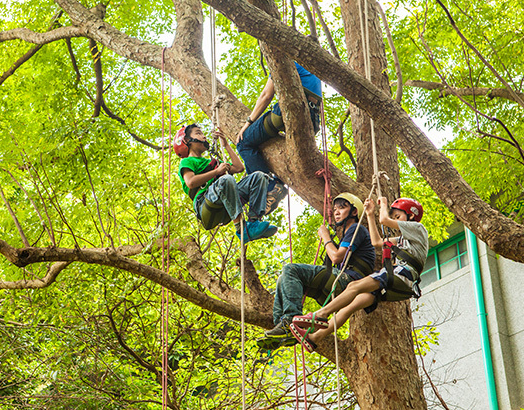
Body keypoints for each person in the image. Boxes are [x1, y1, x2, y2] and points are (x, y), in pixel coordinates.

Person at [289, 196, 428, 353]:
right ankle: (315, 338)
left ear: (411, 216)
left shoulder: (418, 229)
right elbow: (376, 242)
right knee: (350, 306)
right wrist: (369, 214)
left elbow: (383, 220)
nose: (395, 221)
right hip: (401, 284)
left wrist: (384, 205)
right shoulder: (405, 239)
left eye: (398, 216)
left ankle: (320, 314)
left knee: (354, 286)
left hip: (401, 275)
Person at [256, 193, 375, 351]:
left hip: (348, 282)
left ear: (354, 212)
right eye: (335, 209)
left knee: (290, 269)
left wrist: (326, 237)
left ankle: (290, 320)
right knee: (283, 278)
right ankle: (282, 326)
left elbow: (337, 257)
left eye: (342, 207)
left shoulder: (356, 228)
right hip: (338, 288)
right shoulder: (348, 235)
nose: (336, 212)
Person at [234, 62, 323, 215]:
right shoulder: (310, 67)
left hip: (285, 114)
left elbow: (266, 95)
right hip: (313, 121)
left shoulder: (283, 61)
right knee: (288, 156)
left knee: (243, 142)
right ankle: (278, 183)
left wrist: (248, 123)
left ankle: (268, 187)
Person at [176, 123, 278, 243]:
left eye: (202, 133)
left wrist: (226, 145)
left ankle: (253, 223)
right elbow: (191, 182)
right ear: (187, 140)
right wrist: (217, 172)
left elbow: (239, 168)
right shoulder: (187, 161)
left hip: (223, 201)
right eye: (198, 133)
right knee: (226, 180)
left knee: (259, 176)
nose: (204, 136)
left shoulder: (212, 162)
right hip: (205, 204)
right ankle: (241, 229)